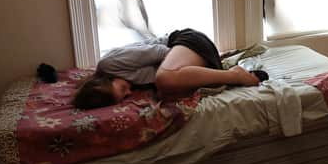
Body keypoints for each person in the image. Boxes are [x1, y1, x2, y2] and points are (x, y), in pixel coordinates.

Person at [72, 28, 260, 109]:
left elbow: (160, 51)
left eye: (122, 89)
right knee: (167, 92)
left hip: (187, 41)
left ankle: (234, 76)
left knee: (165, 79)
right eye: (125, 95)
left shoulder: (109, 64)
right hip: (191, 61)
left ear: (104, 79)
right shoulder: (124, 82)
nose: (129, 91)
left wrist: (167, 76)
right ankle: (223, 74)